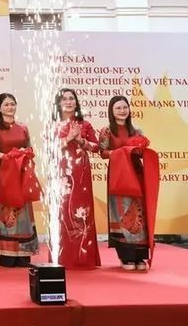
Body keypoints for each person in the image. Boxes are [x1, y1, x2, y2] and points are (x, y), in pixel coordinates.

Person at [98, 95, 158, 271]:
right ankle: (126, 257)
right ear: (112, 111)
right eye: (118, 108)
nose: (122, 111)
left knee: (139, 212)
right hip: (118, 175)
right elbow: (102, 152)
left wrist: (138, 150)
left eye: (125, 107)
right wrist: (122, 151)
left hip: (136, 174)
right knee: (121, 212)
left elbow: (141, 152)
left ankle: (140, 256)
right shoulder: (107, 131)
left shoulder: (137, 130)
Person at [0, 93, 39, 267]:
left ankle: (24, 252)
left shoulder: (23, 127)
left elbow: (29, 147)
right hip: (4, 172)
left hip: (21, 172)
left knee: (23, 209)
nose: (10, 107)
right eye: (6, 104)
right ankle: (6, 252)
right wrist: (9, 157)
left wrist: (25, 154)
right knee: (5, 207)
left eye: (12, 104)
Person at [54, 88, 100, 269]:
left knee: (82, 212)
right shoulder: (53, 125)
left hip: (81, 174)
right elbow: (50, 148)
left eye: (71, 98)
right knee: (63, 211)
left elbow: (96, 147)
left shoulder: (85, 124)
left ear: (76, 102)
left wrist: (80, 140)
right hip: (61, 173)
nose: (68, 101)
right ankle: (64, 258)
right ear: (58, 103)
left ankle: (84, 258)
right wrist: (68, 138)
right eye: (64, 99)